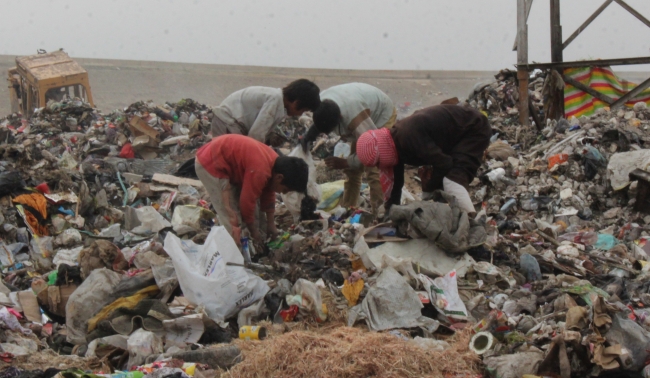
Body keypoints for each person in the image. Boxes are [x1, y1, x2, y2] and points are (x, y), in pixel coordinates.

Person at [356, 104, 492, 215]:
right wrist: (391, 214)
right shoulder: (393, 143)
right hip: (451, 138)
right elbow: (396, 184)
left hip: (473, 128)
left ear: (382, 152)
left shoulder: (408, 137)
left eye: (378, 162)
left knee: (452, 181)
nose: (380, 166)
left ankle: (473, 225)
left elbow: (445, 163)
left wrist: (430, 186)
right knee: (432, 187)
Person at [195, 134, 308, 246]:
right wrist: (254, 232)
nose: (283, 193)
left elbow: (268, 191)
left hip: (227, 163)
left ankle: (258, 245)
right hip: (211, 162)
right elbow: (246, 203)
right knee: (232, 217)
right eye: (284, 190)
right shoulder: (261, 170)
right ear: (279, 177)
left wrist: (270, 223)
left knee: (255, 216)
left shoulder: (275, 164)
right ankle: (237, 255)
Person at [302, 82, 396, 213]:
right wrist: (308, 138)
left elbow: (374, 149)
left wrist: (346, 162)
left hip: (381, 116)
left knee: (373, 171)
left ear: (340, 118)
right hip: (361, 113)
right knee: (352, 171)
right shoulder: (321, 105)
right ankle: (349, 209)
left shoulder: (354, 117)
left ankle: (380, 213)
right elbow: (319, 123)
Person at [211, 79, 321, 143]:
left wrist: (270, 139)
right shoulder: (275, 100)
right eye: (303, 110)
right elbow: (255, 136)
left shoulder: (279, 102)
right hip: (226, 122)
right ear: (296, 103)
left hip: (230, 123)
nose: (300, 114)